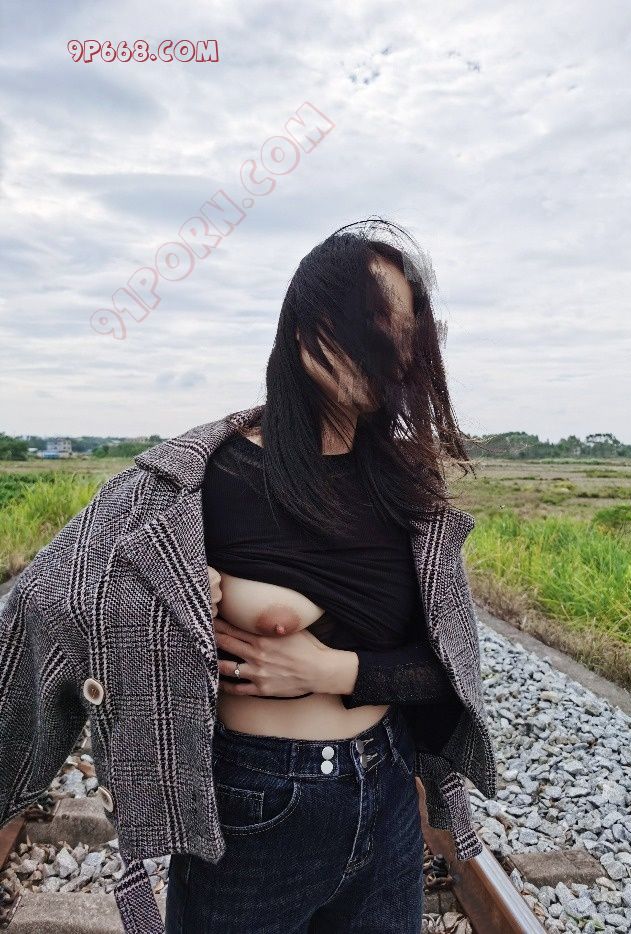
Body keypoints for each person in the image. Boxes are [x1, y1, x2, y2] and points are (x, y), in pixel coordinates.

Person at [163, 218, 479, 933]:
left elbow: (446, 671)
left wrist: (329, 670)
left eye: (406, 329)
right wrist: (165, 604)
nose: (398, 349)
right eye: (376, 322)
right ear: (309, 331)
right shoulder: (207, 479)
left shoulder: (407, 483)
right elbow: (63, 603)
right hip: (254, 805)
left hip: (386, 790)